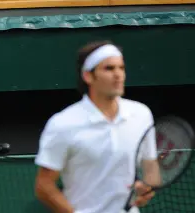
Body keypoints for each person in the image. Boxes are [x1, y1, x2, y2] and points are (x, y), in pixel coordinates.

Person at [35, 41, 157, 213]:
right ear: (88, 76)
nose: (118, 75)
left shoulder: (142, 114)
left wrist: (146, 188)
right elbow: (44, 185)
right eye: (109, 68)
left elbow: (150, 167)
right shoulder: (63, 123)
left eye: (121, 68)